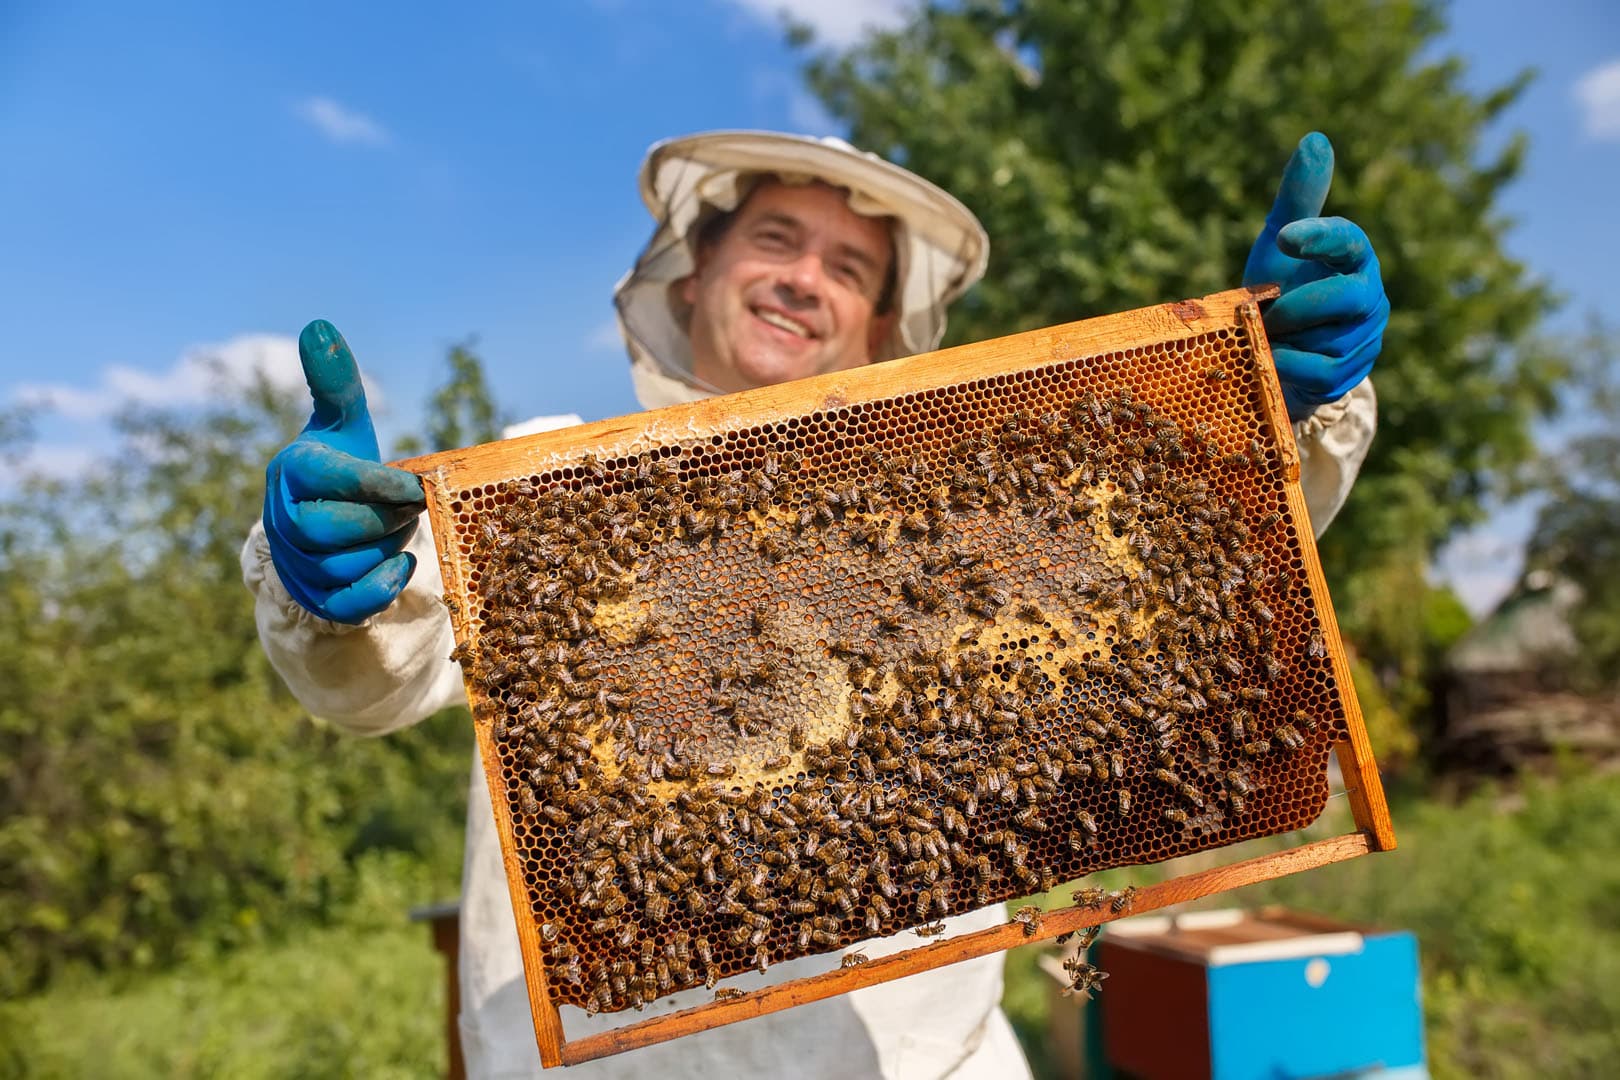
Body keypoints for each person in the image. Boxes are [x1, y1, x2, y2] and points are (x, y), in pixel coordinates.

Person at [245, 129, 1383, 1078]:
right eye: (776, 239)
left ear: (884, 330)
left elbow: (1185, 551)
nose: (804, 276)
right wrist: (336, 592)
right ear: (693, 277)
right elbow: (380, 675)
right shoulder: (543, 483)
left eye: (849, 266)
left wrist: (1259, 402)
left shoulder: (956, 496)